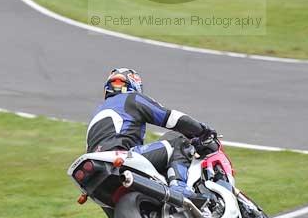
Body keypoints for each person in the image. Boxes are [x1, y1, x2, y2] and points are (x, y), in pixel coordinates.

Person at [86, 68, 215, 202]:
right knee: (178, 141)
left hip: (95, 170)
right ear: (134, 84)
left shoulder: (98, 112)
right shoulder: (131, 98)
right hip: (120, 157)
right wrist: (203, 131)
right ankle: (179, 188)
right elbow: (172, 119)